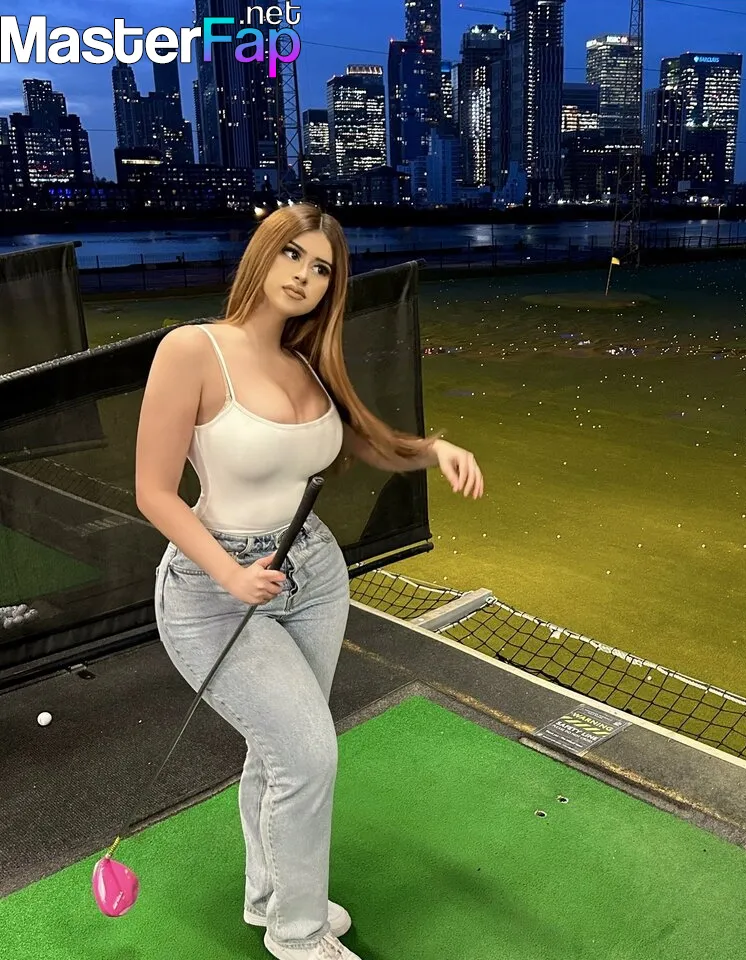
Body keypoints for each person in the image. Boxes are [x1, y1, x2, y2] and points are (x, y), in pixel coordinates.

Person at [134, 202, 484, 960]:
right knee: (307, 753)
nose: (304, 275)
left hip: (315, 573)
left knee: (280, 752)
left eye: (322, 267)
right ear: (262, 254)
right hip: (214, 587)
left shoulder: (309, 362)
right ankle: (298, 936)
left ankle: (272, 897)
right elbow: (154, 493)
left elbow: (365, 443)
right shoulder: (193, 350)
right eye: (292, 254)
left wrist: (433, 450)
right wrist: (230, 573)